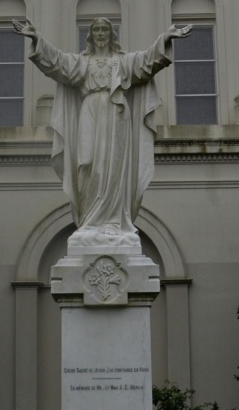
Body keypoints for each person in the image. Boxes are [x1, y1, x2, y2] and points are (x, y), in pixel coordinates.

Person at [13, 16, 191, 244]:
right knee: (85, 162)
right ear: (90, 35)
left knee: (113, 166)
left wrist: (165, 38)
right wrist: (36, 38)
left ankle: (112, 221)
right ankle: (89, 219)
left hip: (116, 113)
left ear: (111, 34)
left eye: (104, 30)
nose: (100, 33)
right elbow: (57, 63)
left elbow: (147, 62)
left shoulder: (122, 62)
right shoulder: (82, 63)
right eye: (96, 29)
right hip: (89, 110)